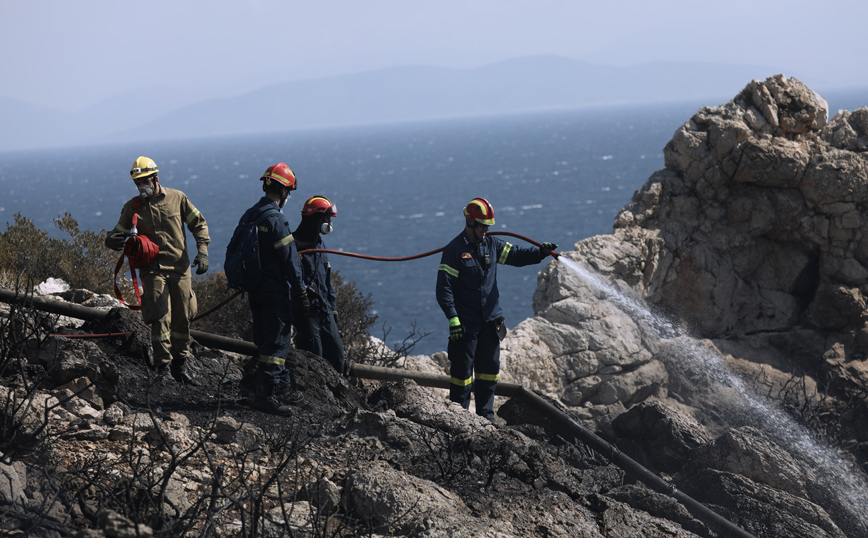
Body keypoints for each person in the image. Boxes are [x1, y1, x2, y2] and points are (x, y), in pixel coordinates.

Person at [436, 197, 557, 421]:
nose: (487, 230)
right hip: (466, 327)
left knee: (489, 373)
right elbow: (444, 288)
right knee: (462, 377)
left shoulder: (491, 244)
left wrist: (540, 253)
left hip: (490, 324)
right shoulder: (454, 250)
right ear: (470, 222)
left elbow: (517, 255)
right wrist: (453, 318)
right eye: (483, 225)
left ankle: (486, 418)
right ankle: (458, 420)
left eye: (488, 226)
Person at [105, 156, 210, 385]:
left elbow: (198, 224)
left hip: (180, 269)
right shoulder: (132, 208)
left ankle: (180, 366)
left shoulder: (177, 198)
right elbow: (117, 233)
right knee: (160, 318)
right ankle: (163, 369)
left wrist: (202, 251)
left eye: (144, 180)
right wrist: (112, 240)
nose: (141, 185)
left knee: (183, 319)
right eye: (137, 182)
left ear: (155, 178)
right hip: (153, 271)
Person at [234, 162, 310, 415]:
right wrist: (300, 289)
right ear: (284, 191)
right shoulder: (277, 220)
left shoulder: (250, 214)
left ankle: (282, 387)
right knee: (277, 344)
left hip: (254, 289)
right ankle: (266, 395)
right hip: (274, 291)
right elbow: (290, 260)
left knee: (266, 340)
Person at [292, 196, 346, 374]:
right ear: (316, 218)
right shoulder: (294, 245)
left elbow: (327, 280)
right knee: (314, 357)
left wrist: (333, 309)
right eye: (327, 218)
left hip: (325, 310)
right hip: (307, 312)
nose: (329, 223)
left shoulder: (320, 245)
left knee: (337, 357)